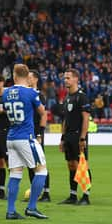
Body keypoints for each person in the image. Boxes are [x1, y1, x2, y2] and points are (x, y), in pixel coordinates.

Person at [3, 64, 49, 220]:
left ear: (14, 76)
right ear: (27, 76)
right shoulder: (31, 93)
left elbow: (3, 109)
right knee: (41, 171)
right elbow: (42, 112)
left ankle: (10, 211)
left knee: (15, 174)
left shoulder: (6, 92)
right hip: (26, 137)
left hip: (11, 138)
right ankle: (32, 207)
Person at [58, 68, 92, 205]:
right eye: (65, 78)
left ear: (76, 79)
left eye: (68, 78)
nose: (66, 80)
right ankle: (72, 195)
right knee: (71, 165)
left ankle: (86, 196)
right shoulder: (66, 98)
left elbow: (86, 119)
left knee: (82, 166)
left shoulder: (81, 97)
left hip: (79, 136)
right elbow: (65, 120)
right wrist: (62, 138)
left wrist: (83, 138)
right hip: (69, 136)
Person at [27, 70, 51, 202]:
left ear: (35, 79)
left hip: (36, 134)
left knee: (40, 163)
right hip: (27, 134)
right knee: (30, 164)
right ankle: (34, 192)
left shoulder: (39, 96)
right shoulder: (26, 94)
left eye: (29, 77)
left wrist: (39, 134)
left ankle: (46, 193)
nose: (27, 79)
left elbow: (43, 115)